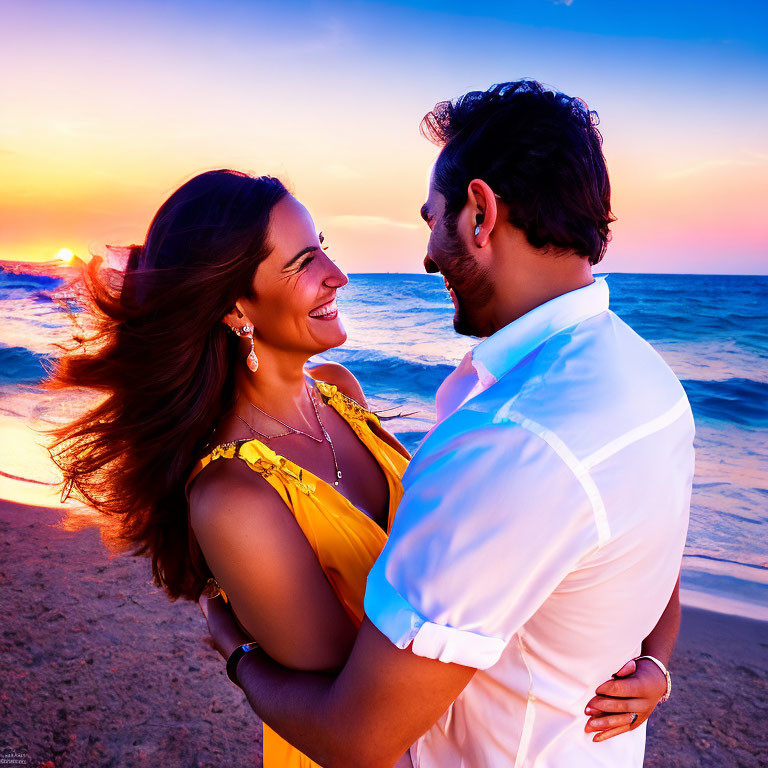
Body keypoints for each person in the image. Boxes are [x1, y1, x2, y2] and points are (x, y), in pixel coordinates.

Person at [49, 165, 674, 768]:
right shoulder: (234, 497)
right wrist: (236, 655)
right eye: (304, 264)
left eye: (323, 246)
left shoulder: (340, 391)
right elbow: (351, 724)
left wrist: (652, 657)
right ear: (236, 306)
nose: (339, 274)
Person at [200, 80, 694, 767]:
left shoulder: (511, 442)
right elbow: (643, 539)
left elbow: (356, 735)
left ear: (481, 214)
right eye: (306, 258)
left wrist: (236, 654)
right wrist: (656, 660)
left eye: (432, 218)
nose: (428, 255)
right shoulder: (646, 380)